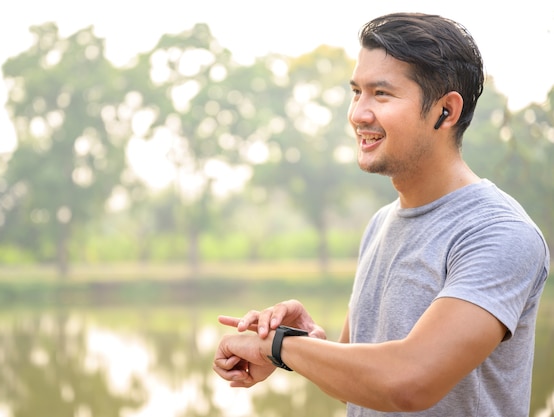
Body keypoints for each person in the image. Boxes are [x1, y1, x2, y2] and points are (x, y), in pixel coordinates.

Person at [212, 12, 550, 416]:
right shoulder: (380, 225)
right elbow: (362, 389)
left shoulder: (498, 234)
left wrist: (279, 346)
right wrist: (307, 343)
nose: (358, 114)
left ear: (446, 111)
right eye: (357, 92)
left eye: (381, 94)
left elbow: (409, 382)